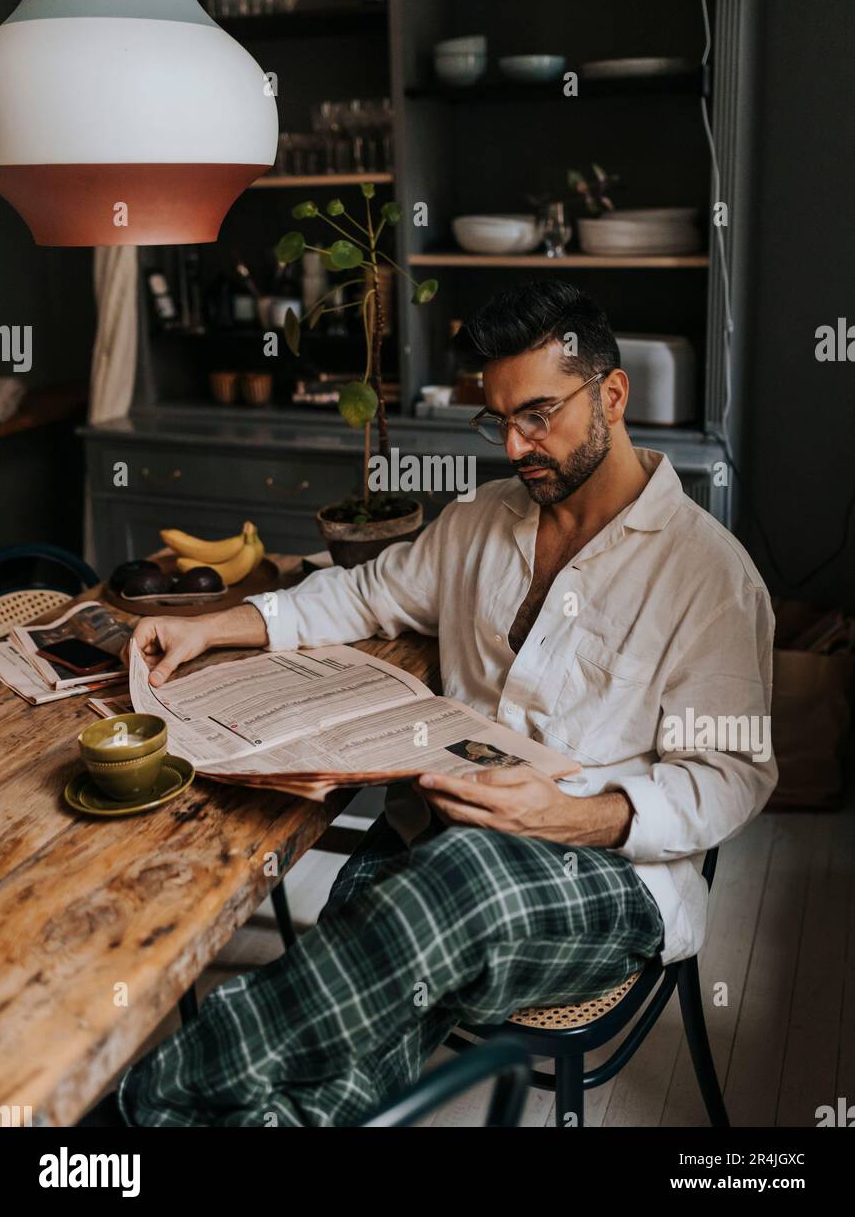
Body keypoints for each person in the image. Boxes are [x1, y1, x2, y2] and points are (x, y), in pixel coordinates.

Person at [116, 280, 777, 1127]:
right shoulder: (480, 521)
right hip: (442, 846)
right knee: (376, 978)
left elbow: (732, 778)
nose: (514, 445)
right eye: (496, 420)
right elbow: (362, 597)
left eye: (537, 415)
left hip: (612, 873)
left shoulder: (709, 575)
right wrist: (223, 624)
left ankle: (142, 1102)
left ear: (612, 394)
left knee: (443, 886)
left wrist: (570, 818)